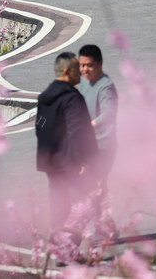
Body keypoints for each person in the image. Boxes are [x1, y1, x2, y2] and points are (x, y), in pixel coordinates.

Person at [36, 52, 98, 231]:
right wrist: (81, 160)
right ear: (66, 71)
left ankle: (58, 235)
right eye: (76, 69)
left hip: (49, 160)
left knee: (58, 200)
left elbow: (40, 127)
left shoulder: (45, 96)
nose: (80, 72)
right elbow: (76, 131)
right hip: (69, 161)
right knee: (83, 200)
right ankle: (76, 239)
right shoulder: (71, 98)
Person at [77, 44, 119, 183]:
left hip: (102, 147)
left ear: (100, 64)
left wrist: (90, 125)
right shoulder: (85, 82)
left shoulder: (105, 86)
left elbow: (109, 113)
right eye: (82, 65)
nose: (84, 70)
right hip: (88, 145)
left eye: (89, 65)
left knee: (94, 186)